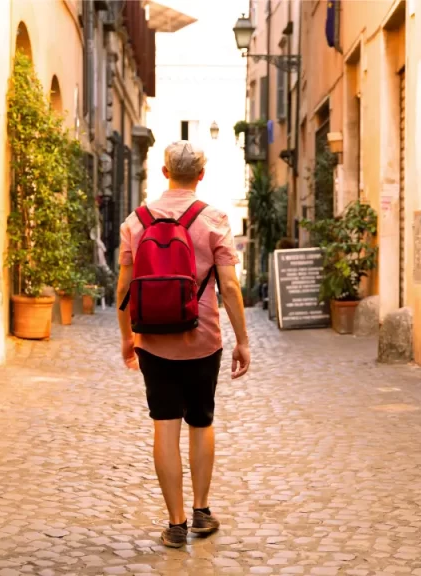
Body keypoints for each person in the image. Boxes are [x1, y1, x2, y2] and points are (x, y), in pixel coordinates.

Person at [116, 140, 251, 548]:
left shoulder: (135, 221)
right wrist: (242, 341)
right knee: (201, 420)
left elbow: (123, 288)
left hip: (152, 339)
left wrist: (127, 339)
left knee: (164, 424)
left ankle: (175, 524)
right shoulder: (214, 219)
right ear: (201, 175)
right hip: (202, 337)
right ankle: (201, 512)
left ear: (164, 172)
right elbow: (229, 286)